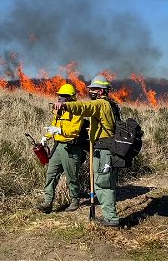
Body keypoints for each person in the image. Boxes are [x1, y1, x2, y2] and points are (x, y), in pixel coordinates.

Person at [53, 75, 121, 227]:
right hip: (110, 149)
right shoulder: (112, 105)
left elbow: (84, 108)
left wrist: (66, 106)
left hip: (104, 150)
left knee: (103, 183)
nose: (90, 92)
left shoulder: (100, 104)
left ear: (102, 91)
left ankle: (111, 218)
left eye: (93, 89)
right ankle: (111, 216)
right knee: (107, 182)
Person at [36, 83, 85, 214]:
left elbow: (74, 131)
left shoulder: (77, 111)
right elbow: (54, 125)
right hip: (58, 147)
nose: (59, 98)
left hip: (71, 148)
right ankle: (48, 202)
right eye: (59, 96)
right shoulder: (58, 110)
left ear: (70, 98)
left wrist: (59, 130)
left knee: (71, 176)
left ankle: (75, 200)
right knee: (51, 174)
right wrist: (46, 137)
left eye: (62, 96)